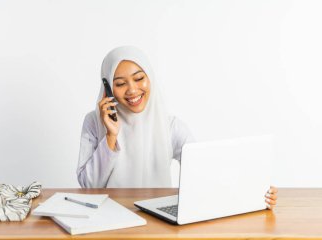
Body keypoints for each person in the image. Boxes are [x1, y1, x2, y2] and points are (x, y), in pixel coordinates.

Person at [77, 46, 277, 209]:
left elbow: (205, 173)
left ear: (150, 78)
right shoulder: (94, 122)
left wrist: (254, 192)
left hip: (155, 217)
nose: (132, 90)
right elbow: (89, 186)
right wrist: (110, 137)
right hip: (107, 218)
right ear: (108, 89)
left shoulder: (170, 126)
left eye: (139, 79)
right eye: (120, 83)